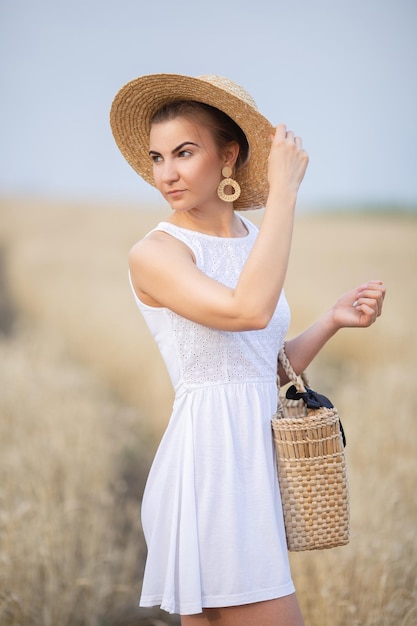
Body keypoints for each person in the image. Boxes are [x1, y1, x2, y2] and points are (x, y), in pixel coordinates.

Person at [110, 74, 385, 626]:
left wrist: (330, 321)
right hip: (209, 463)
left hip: (252, 462)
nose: (167, 173)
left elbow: (258, 363)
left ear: (228, 155)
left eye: (184, 153)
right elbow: (246, 312)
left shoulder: (255, 240)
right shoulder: (156, 253)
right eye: (158, 157)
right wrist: (284, 193)